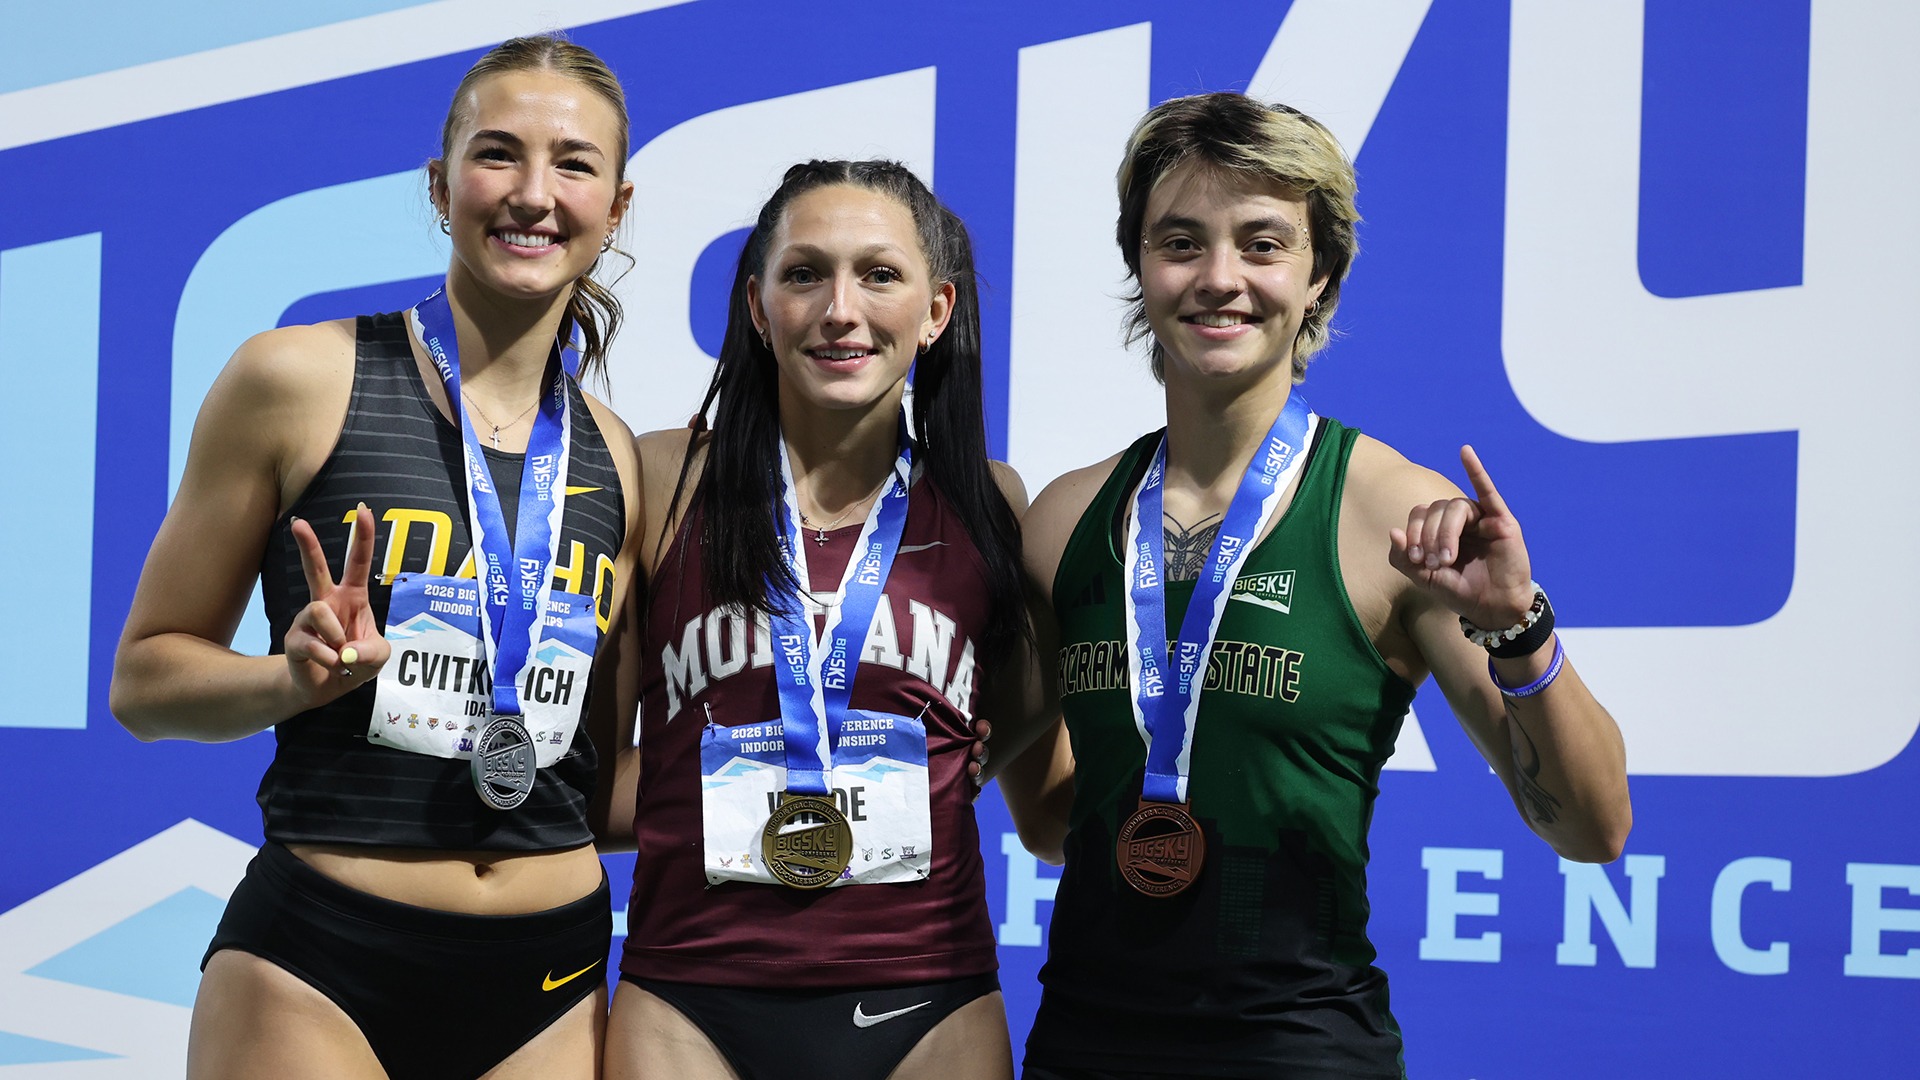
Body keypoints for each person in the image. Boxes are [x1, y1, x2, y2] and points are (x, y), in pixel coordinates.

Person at [997, 93, 1633, 1079]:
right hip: (1084, 1047)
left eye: (1262, 244)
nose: (1220, 278)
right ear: (1140, 265)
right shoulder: (1064, 520)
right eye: (1181, 242)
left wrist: (1519, 629)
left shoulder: (1396, 513)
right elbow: (1051, 823)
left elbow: (1593, 828)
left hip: (1302, 1051)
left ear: (1318, 274)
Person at [109, 35, 643, 1080]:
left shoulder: (614, 454)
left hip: (550, 978)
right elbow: (144, 685)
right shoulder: (297, 377)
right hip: (321, 966)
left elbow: (590, 777)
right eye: (499, 154)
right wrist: (290, 680)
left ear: (616, 208)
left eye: (574, 164)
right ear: (441, 186)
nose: (534, 194)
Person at [590, 160, 1040, 1080]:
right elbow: (588, 779)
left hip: (929, 998)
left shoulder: (989, 502)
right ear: (758, 308)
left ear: (937, 311)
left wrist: (949, 762)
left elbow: (1028, 717)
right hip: (688, 997)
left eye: (879, 274)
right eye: (804, 274)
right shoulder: (663, 479)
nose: (841, 310)